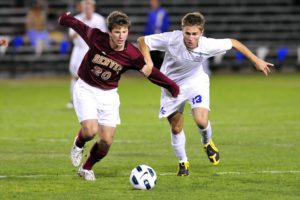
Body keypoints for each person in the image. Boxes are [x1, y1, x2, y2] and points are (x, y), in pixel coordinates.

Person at [137, 11, 274, 176]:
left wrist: (256, 60)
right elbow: (142, 40)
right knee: (176, 127)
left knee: (201, 121)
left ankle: (207, 142)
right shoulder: (172, 39)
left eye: (194, 34)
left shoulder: (207, 45)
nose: (190, 37)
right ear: (182, 30)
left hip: (196, 82)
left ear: (201, 33)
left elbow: (234, 43)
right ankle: (183, 162)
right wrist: (149, 61)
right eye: (187, 33)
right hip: (171, 85)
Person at [58, 11, 179, 181]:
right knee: (90, 131)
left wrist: (172, 86)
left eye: (124, 31)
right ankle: (79, 143)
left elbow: (150, 72)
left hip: (109, 95)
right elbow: (79, 26)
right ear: (109, 32)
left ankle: (86, 168)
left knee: (106, 141)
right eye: (117, 32)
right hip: (86, 88)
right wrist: (65, 19)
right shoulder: (96, 37)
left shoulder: (132, 54)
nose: (121, 36)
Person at [66, 0, 107, 109]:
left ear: (93, 7)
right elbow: (71, 36)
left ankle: (96, 100)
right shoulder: (77, 19)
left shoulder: (99, 19)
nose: (88, 7)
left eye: (90, 5)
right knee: (75, 76)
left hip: (93, 50)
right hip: (79, 50)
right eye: (86, 5)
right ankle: (73, 100)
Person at [143, 0, 169, 69]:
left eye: (154, 2)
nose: (152, 4)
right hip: (151, 38)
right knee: (152, 55)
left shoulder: (162, 12)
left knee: (157, 55)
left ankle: (160, 70)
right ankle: (155, 71)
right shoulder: (151, 13)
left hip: (158, 38)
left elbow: (165, 25)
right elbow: (148, 26)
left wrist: (161, 35)